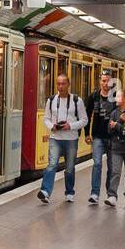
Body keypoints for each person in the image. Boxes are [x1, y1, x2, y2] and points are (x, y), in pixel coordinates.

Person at [38, 73, 87, 203]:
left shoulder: (77, 101)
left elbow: (84, 120)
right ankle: (45, 191)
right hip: (55, 138)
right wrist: (52, 126)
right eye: (58, 84)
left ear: (68, 84)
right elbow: (46, 119)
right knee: (52, 164)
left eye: (63, 83)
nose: (60, 86)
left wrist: (70, 126)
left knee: (70, 167)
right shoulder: (51, 100)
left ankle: (69, 192)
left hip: (71, 139)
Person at [84, 71, 116, 205]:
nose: (105, 84)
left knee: (111, 166)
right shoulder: (93, 97)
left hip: (112, 137)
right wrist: (86, 134)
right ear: (100, 81)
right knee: (97, 164)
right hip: (97, 136)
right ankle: (95, 193)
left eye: (108, 81)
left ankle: (110, 194)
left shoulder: (115, 98)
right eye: (103, 81)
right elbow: (87, 115)